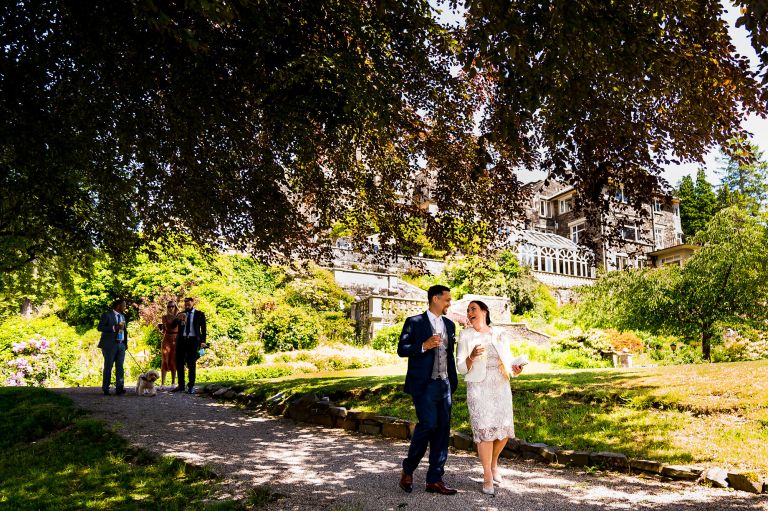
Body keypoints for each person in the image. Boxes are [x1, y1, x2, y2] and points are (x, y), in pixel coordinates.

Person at [456, 300, 524, 495]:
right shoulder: (465, 335)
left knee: (502, 432)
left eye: (473, 309)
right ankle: (487, 475)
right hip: (478, 387)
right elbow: (461, 367)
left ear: (484, 311)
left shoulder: (499, 333)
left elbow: (509, 362)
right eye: (468, 310)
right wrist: (471, 356)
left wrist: (516, 369)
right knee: (484, 430)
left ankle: (494, 463)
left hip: (501, 385)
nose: (469, 313)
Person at [397, 285, 459, 496]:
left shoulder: (450, 325)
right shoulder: (414, 322)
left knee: (442, 432)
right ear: (435, 299)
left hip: (444, 385)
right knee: (428, 424)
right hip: (423, 385)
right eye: (447, 300)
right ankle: (408, 468)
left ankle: (434, 479)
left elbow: (448, 355)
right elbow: (402, 349)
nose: (449, 303)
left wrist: (452, 381)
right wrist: (423, 345)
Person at [172, 297, 207, 394]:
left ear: (193, 303)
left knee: (191, 364)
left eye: (188, 304)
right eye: (185, 304)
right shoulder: (180, 314)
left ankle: (191, 386)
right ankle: (181, 385)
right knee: (179, 363)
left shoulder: (199, 314)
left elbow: (203, 330)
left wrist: (203, 341)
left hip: (193, 341)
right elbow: (172, 326)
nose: (187, 306)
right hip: (181, 341)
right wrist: (177, 318)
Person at [97, 299, 128, 396]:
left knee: (120, 367)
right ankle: (106, 388)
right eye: (124, 305)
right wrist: (114, 328)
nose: (125, 307)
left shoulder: (122, 316)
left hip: (121, 345)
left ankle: (119, 387)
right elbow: (100, 327)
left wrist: (125, 344)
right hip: (109, 345)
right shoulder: (107, 315)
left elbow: (125, 331)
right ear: (118, 306)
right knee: (108, 366)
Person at [157, 300, 181, 387]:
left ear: (175, 307)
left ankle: (173, 383)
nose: (170, 308)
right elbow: (163, 330)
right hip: (167, 338)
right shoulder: (164, 317)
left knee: (174, 360)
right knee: (165, 359)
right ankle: (162, 384)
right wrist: (160, 328)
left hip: (176, 339)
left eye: (172, 306)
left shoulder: (179, 316)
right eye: (169, 306)